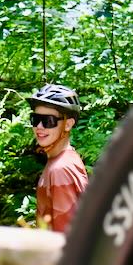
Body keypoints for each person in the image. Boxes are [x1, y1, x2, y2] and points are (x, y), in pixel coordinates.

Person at [27, 83, 89, 233]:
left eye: (48, 121)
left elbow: (65, 239)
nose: (39, 127)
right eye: (35, 119)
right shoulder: (64, 160)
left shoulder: (60, 170)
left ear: (68, 124)